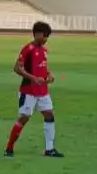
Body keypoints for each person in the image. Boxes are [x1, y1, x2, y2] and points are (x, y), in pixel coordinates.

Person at [5, 21, 63, 158]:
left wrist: (49, 76)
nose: (46, 39)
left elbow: (43, 68)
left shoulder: (44, 51)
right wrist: (33, 78)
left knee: (49, 115)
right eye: (45, 36)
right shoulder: (27, 49)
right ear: (37, 34)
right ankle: (9, 147)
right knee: (23, 118)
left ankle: (50, 149)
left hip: (43, 91)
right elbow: (17, 68)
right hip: (28, 91)